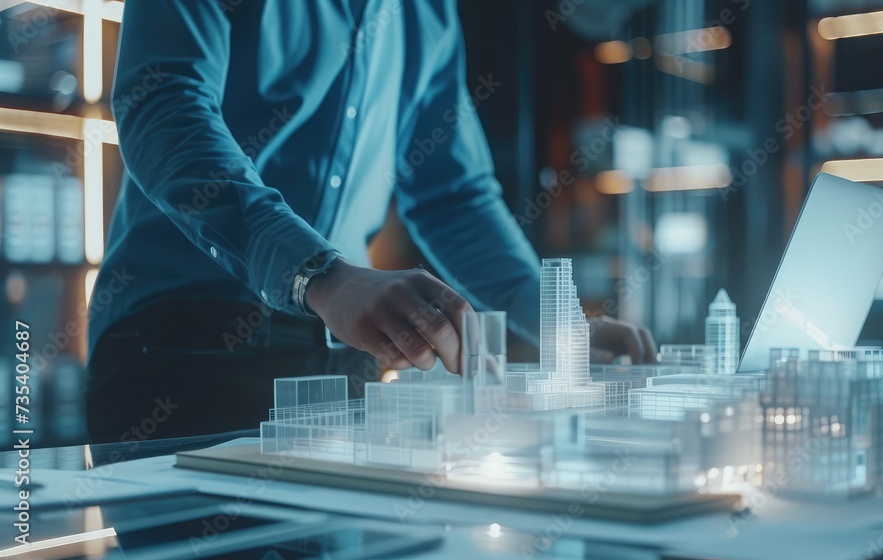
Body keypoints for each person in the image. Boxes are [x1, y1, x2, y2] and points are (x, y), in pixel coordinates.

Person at [85, 0, 656, 443]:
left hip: (336, 359)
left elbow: (452, 195)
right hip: (182, 349)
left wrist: (563, 329)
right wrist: (319, 274)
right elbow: (164, 102)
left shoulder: (426, 13)